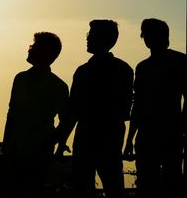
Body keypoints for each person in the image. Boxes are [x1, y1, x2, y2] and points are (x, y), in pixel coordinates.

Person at [56, 20, 133, 198]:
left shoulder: (84, 71)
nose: (88, 38)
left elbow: (73, 111)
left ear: (104, 39)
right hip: (110, 136)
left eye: (92, 35)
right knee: (113, 186)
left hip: (89, 136)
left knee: (86, 187)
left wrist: (61, 140)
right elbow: (124, 108)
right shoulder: (124, 70)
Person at [123, 19, 187, 198]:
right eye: (146, 34)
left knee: (166, 183)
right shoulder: (143, 67)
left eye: (149, 33)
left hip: (168, 133)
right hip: (153, 134)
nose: (147, 38)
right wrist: (130, 139)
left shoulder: (178, 61)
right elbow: (138, 104)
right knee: (151, 183)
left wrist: (183, 129)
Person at [2, 32, 70, 198]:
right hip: (15, 151)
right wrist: (6, 148)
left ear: (46, 53)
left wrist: (48, 142)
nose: (30, 49)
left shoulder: (57, 86)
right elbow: (11, 115)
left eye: (34, 46)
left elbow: (66, 121)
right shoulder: (20, 78)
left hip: (37, 155)